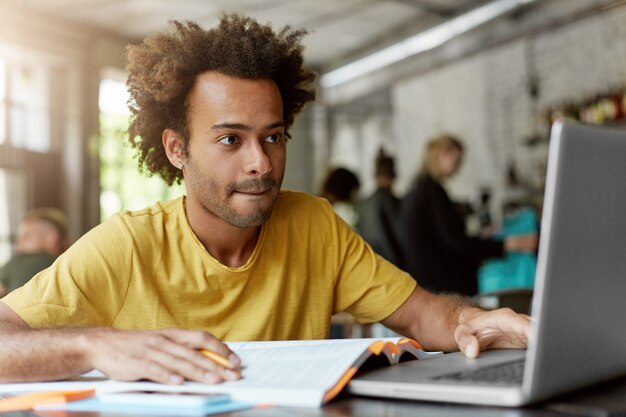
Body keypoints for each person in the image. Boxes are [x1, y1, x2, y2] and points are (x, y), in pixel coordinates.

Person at [0, 15, 529, 387]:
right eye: (230, 139)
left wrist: (470, 321)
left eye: (273, 136)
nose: (261, 162)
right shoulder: (127, 245)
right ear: (177, 148)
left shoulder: (314, 224)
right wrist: (91, 345)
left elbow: (421, 315)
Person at [402, 134, 537, 296]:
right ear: (441, 154)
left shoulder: (420, 188)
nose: (458, 167)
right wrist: (509, 244)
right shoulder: (431, 192)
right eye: (457, 160)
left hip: (431, 281)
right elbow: (458, 243)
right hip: (444, 285)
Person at [0, 208, 67, 297]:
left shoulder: (29, 259)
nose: (17, 245)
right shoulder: (69, 265)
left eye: (26, 237)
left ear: (50, 238)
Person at [356, 149, 404, 268]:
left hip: (370, 266)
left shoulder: (364, 203)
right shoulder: (392, 202)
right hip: (393, 267)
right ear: (393, 175)